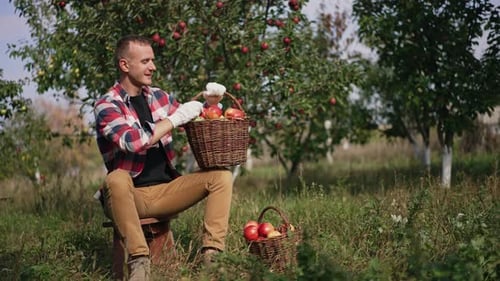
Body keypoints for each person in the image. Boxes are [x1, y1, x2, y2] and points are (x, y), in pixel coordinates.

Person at [94, 35, 233, 281]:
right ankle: (139, 261)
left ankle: (212, 257)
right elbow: (132, 141)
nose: (153, 67)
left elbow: (195, 117)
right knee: (115, 178)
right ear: (125, 65)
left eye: (153, 60)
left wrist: (211, 105)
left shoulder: (159, 97)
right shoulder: (106, 105)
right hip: (128, 196)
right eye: (146, 61)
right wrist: (172, 119)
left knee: (221, 176)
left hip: (165, 191)